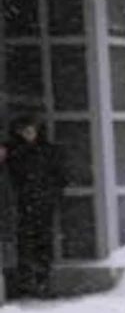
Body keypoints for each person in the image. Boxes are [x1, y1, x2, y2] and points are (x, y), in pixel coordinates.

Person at [3, 115, 67, 301]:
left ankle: (42, 282)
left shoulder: (47, 151)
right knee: (24, 245)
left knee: (43, 245)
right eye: (25, 130)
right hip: (21, 205)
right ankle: (26, 283)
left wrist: (53, 194)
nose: (29, 133)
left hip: (42, 205)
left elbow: (59, 176)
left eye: (31, 130)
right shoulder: (13, 151)